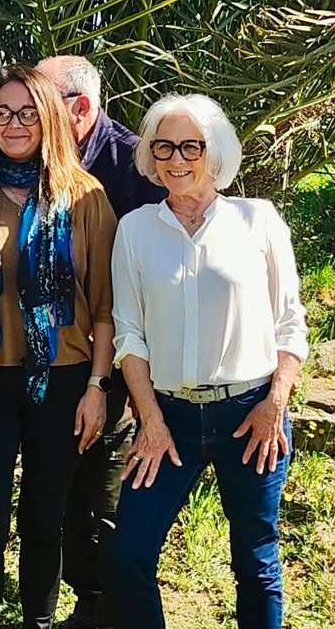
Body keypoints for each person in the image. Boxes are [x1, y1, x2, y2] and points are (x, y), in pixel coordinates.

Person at [0, 65, 118, 629]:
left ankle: (38, 620)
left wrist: (97, 387)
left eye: (28, 113)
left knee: (44, 518)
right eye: (3, 113)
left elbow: (106, 309)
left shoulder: (85, 199)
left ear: (50, 119)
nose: (14, 124)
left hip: (62, 381)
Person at [111, 94, 308, 629]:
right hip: (168, 419)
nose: (176, 159)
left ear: (214, 150)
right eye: (164, 147)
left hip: (251, 415)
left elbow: (290, 323)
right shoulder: (135, 229)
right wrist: (150, 420)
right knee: (129, 552)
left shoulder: (258, 220)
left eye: (190, 146)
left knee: (256, 559)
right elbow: (129, 335)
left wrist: (275, 402)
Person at [36, 55, 166, 629]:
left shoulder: (137, 167)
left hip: (124, 360)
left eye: (41, 102)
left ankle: (111, 606)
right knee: (67, 486)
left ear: (81, 108)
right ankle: (87, 599)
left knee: (108, 489)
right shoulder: (35, 161)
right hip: (57, 356)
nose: (28, 115)